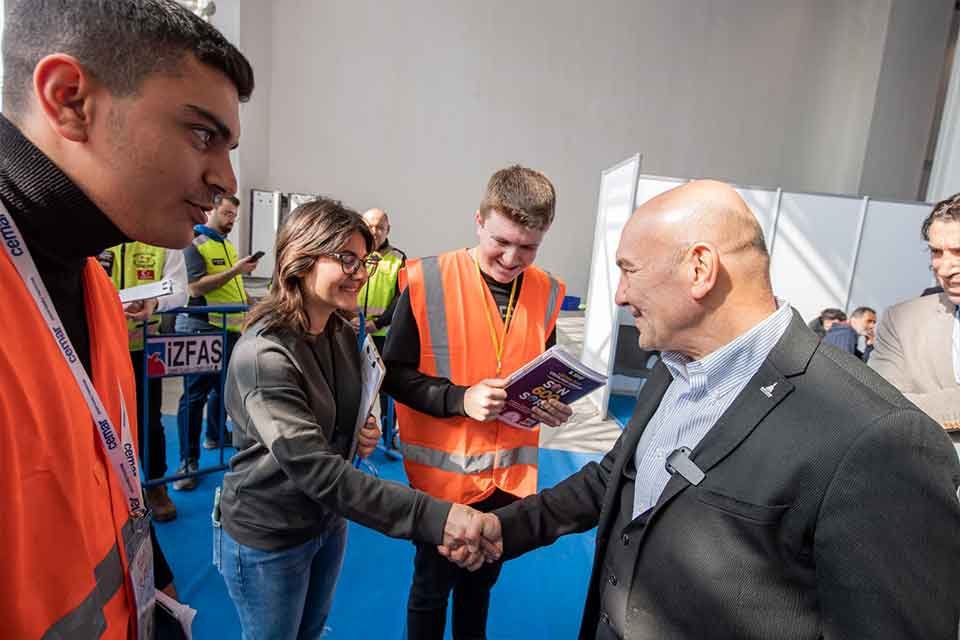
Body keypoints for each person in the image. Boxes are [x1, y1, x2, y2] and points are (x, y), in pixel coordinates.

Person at [454, 180, 960, 639]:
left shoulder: (877, 438)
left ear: (699, 269)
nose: (621, 294)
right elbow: (616, 480)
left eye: (628, 270)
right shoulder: (671, 370)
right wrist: (505, 528)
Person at [0, 1, 254, 637]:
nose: (225, 180)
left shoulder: (89, 283)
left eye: (229, 146)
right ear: (69, 101)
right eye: (202, 134)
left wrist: (155, 591)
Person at [217, 198, 488, 639]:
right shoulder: (263, 356)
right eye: (346, 259)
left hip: (327, 522)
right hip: (270, 536)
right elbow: (317, 470)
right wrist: (435, 517)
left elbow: (349, 412)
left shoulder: (341, 331)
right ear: (301, 258)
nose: (361, 273)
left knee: (311, 631)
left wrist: (363, 428)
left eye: (364, 260)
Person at [382, 165, 573, 639]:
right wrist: (459, 399)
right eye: (501, 241)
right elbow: (393, 376)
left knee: (481, 584)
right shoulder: (425, 280)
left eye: (528, 247)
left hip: (507, 480)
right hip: (440, 482)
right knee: (431, 587)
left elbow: (538, 370)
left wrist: (552, 404)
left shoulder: (547, 292)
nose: (512, 258)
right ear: (478, 222)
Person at [173, 194, 258, 490]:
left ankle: (215, 437)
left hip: (230, 330)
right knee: (194, 395)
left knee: (224, 390)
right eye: (226, 213)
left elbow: (230, 288)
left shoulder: (226, 245)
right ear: (211, 211)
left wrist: (253, 302)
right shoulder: (194, 242)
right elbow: (195, 286)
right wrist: (236, 270)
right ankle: (188, 461)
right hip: (202, 328)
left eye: (234, 214)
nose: (231, 219)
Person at [101, 241, 188, 521]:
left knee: (149, 421)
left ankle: (154, 485)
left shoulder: (160, 238)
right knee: (94, 421)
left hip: (143, 350)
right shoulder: (93, 228)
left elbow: (180, 287)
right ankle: (104, 492)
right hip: (95, 347)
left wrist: (156, 302)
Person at [871, 193, 960, 438]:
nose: (945, 267)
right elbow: (878, 403)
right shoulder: (902, 320)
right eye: (936, 252)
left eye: (958, 251)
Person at [352, 207, 406, 444]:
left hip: (382, 334)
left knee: (384, 389)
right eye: (370, 225)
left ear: (388, 230)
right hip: (350, 330)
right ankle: (350, 435)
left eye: (380, 227)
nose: (374, 231)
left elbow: (400, 299)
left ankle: (386, 438)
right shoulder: (353, 253)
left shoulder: (398, 258)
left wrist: (377, 323)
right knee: (349, 384)